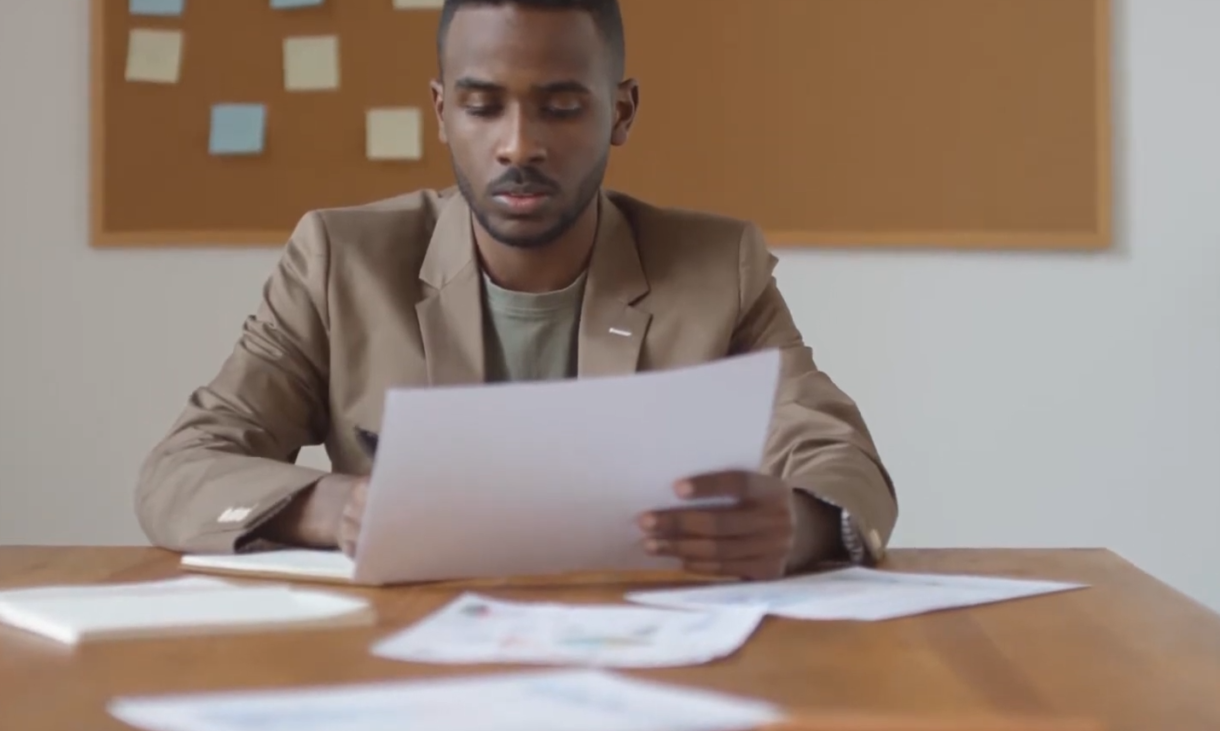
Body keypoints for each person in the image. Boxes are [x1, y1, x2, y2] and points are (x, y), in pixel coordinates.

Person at [135, 0, 897, 581]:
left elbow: (840, 456)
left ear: (621, 113)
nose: (519, 144)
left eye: (561, 107)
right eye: (482, 105)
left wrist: (801, 525)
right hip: (399, 668)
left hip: (641, 658)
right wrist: (336, 507)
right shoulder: (341, 261)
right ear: (441, 112)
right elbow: (181, 470)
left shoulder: (714, 265)